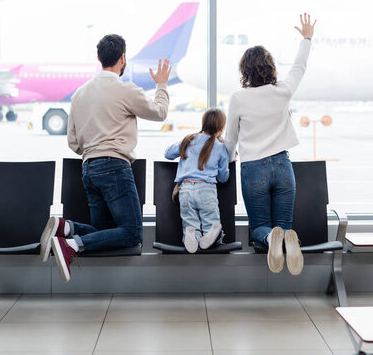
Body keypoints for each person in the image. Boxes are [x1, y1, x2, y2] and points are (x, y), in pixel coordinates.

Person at [39, 34, 172, 282]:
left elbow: (73, 142)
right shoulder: (126, 90)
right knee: (132, 233)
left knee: (103, 234)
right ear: (123, 58)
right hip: (115, 167)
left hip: (88, 168)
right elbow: (160, 112)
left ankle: (66, 228)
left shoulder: (79, 94)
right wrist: (161, 85)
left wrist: (93, 151)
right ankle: (73, 244)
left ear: (99, 58)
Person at [225, 13, 316, 275]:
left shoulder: (238, 98)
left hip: (253, 167)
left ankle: (268, 238)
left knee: (259, 228)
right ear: (270, 67)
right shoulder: (283, 91)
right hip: (282, 165)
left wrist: (227, 162)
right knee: (284, 225)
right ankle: (288, 237)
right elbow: (299, 67)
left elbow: (230, 139)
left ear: (245, 70)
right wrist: (307, 38)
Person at [164, 108, 230, 253]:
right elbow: (223, 177)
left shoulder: (189, 140)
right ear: (221, 128)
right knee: (210, 220)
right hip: (206, 189)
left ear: (203, 123)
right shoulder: (220, 147)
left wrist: (183, 145)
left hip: (185, 190)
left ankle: (192, 234)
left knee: (190, 221)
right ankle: (212, 234)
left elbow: (168, 154)